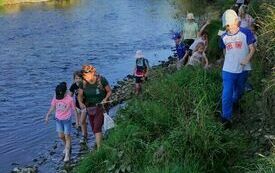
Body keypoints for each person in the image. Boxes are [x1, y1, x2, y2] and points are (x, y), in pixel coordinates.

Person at [220, 9, 256, 127]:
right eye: (227, 24)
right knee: (226, 93)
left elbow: (252, 49)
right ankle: (226, 118)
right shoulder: (223, 36)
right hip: (228, 70)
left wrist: (247, 59)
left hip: (243, 69)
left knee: (239, 91)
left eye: (231, 23)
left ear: (236, 21)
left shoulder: (246, 33)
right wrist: (228, 60)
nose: (230, 26)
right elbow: (225, 50)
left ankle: (235, 103)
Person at [78, 65, 112, 148]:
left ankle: (99, 150)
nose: (85, 76)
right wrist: (80, 103)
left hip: (101, 107)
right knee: (94, 128)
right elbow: (80, 95)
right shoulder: (83, 82)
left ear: (93, 73)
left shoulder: (102, 80)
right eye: (84, 75)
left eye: (86, 74)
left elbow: (109, 91)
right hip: (90, 108)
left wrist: (105, 98)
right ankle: (100, 141)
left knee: (97, 128)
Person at [45, 82, 77, 162]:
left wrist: (77, 121)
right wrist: (47, 115)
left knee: (67, 136)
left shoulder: (69, 99)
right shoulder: (56, 97)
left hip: (67, 120)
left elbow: (74, 110)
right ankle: (67, 144)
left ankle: (67, 154)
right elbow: (52, 107)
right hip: (58, 120)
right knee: (61, 136)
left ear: (66, 92)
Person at [69, 71, 88, 143]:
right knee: (81, 122)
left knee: (82, 121)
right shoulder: (73, 86)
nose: (78, 79)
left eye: (79, 78)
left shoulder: (84, 85)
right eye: (76, 78)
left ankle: (84, 135)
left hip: (84, 105)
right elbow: (70, 96)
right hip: (77, 106)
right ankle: (84, 134)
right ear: (74, 79)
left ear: (82, 78)